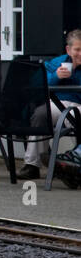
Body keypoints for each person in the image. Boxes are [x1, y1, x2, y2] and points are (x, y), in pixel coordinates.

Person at [21, 29, 81, 179]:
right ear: (68, 49)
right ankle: (32, 164)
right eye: (77, 50)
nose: (80, 54)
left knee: (77, 116)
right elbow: (36, 84)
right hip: (57, 103)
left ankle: (75, 163)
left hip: (78, 105)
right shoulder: (57, 63)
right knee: (42, 114)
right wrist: (56, 76)